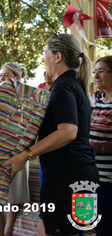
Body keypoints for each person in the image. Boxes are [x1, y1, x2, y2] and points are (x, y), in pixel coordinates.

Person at [3, 33, 99, 236]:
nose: (43, 58)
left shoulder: (63, 87)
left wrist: (25, 154)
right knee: (49, 229)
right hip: (81, 174)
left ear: (58, 57)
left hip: (65, 178)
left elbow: (68, 132)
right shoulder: (74, 85)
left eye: (45, 53)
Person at [0, 62, 30, 236]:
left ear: (17, 78)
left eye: (6, 75)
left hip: (16, 149)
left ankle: (8, 230)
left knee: (14, 191)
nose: (2, 78)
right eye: (1, 75)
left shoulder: (26, 98)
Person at [89, 55, 112, 235]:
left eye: (102, 71)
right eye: (95, 71)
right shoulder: (99, 101)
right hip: (95, 178)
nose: (96, 75)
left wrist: (101, 147)